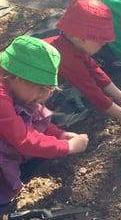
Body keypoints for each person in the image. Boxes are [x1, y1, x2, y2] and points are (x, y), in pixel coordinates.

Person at [0, 36, 89, 204]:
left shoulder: (12, 82)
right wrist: (67, 147)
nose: (41, 98)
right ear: (19, 78)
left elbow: (34, 119)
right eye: (40, 91)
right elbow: (24, 139)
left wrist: (59, 134)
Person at [44, 0, 121, 138]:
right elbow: (92, 91)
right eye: (101, 41)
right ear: (83, 38)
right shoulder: (65, 57)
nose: (104, 44)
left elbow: (95, 70)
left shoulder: (73, 45)